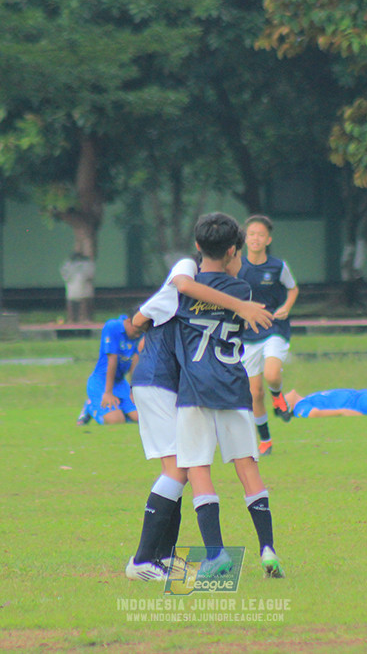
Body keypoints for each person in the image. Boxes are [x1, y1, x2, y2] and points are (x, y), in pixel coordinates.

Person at [124, 237, 274, 581]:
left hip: (169, 382)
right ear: (230, 253)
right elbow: (137, 320)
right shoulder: (185, 275)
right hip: (156, 381)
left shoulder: (197, 285)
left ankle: (160, 556)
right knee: (179, 467)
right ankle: (143, 559)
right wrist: (242, 305)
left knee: (183, 467)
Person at [174, 212, 285, 579]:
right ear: (234, 250)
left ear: (196, 247)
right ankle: (268, 549)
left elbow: (188, 286)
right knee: (247, 467)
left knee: (198, 468)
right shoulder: (243, 291)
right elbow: (227, 284)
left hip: (194, 390)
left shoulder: (185, 285)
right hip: (234, 388)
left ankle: (216, 554)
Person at [237, 215, 299, 456]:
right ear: (245, 238)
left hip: (274, 328)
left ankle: (278, 397)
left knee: (272, 375)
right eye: (251, 234)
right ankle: (265, 440)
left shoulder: (277, 267)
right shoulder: (237, 266)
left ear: (268, 239)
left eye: (260, 235)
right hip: (248, 334)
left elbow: (293, 288)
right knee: (254, 393)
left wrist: (286, 307)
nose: (255, 238)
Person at [77, 313, 143, 425]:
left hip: (120, 383)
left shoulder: (140, 330)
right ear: (128, 321)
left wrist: (133, 392)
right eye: (136, 331)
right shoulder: (113, 327)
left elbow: (135, 363)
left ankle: (120, 410)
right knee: (116, 420)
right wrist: (108, 392)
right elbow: (112, 360)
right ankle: (89, 406)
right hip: (102, 382)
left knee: (140, 418)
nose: (138, 335)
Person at [60, 252, 95, 323]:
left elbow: (90, 275)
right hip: (74, 286)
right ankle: (74, 319)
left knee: (82, 302)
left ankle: (82, 319)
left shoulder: (86, 264)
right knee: (75, 303)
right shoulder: (69, 264)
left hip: (81, 287)